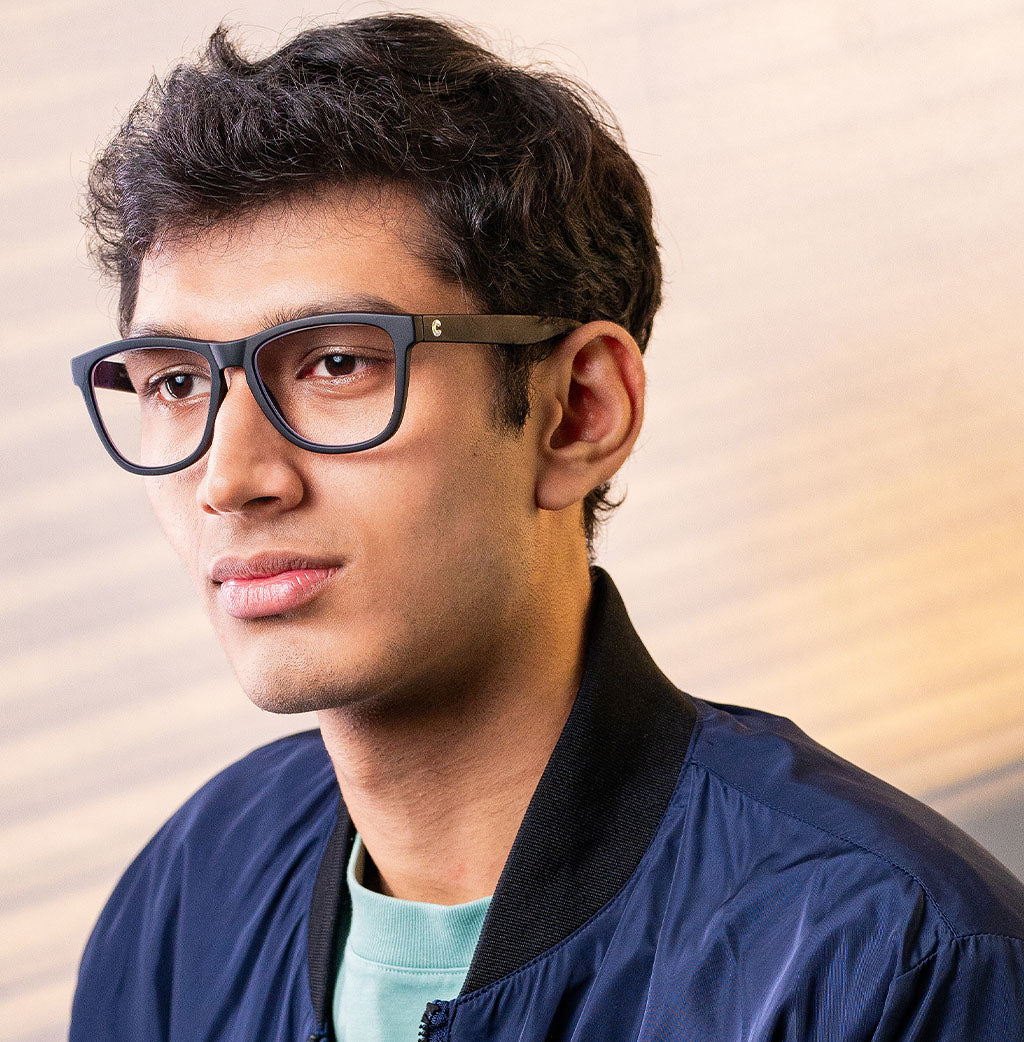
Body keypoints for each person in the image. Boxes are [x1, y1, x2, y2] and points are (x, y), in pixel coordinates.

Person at [68, 13, 1024, 1042]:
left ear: (579, 413)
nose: (229, 478)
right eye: (176, 382)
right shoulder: (188, 896)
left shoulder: (889, 962)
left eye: (337, 363)